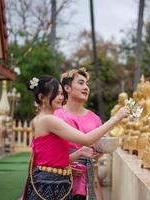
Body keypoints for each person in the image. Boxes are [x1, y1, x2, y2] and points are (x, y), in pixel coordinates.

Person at [23, 75, 129, 200]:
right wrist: (116, 118)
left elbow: (52, 161)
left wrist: (79, 153)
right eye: (56, 94)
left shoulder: (41, 119)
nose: (61, 97)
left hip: (53, 183)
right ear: (42, 97)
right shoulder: (49, 120)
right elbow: (86, 139)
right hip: (50, 186)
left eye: (61, 93)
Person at [54, 68, 102, 200]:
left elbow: (99, 150)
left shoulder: (95, 119)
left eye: (87, 84)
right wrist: (68, 163)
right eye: (81, 83)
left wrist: (97, 153)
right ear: (67, 88)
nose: (86, 87)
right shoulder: (55, 115)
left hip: (87, 181)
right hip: (59, 181)